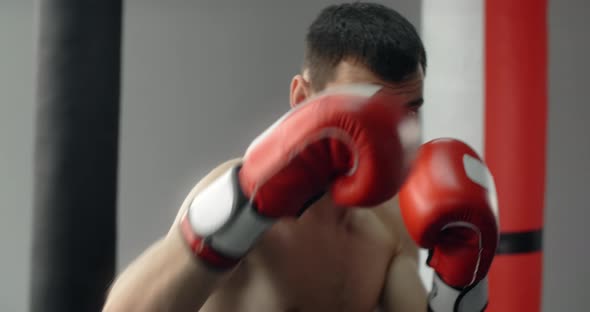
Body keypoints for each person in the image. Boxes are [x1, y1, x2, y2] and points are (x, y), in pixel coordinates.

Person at [103, 3, 498, 312]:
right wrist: (235, 211)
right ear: (303, 99)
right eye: (369, 112)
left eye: (409, 111)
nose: (391, 134)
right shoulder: (244, 201)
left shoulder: (391, 222)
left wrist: (460, 289)